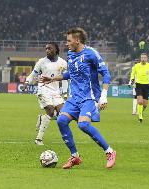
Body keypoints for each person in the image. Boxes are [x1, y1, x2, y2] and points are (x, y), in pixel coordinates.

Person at [41, 27, 116, 169]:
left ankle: (110, 152)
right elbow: (71, 73)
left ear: (77, 40)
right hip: (73, 97)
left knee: (83, 125)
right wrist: (52, 78)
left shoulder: (91, 54)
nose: (66, 43)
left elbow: (106, 74)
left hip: (89, 97)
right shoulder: (70, 54)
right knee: (61, 121)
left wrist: (104, 96)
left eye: (69, 41)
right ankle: (75, 156)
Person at [22, 42, 67, 145]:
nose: (47, 50)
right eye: (46, 49)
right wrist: (27, 82)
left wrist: (65, 94)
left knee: (62, 114)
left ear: (56, 50)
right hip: (43, 88)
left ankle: (43, 118)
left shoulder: (63, 63)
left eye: (50, 49)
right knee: (51, 112)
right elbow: (33, 74)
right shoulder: (42, 62)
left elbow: (64, 79)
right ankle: (39, 139)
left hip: (55, 91)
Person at [129, 53, 149, 123]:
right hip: (138, 85)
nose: (143, 59)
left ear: (147, 59)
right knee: (140, 101)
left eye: (144, 57)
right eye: (142, 57)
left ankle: (140, 111)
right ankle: (140, 118)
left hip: (146, 86)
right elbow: (132, 73)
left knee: (145, 104)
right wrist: (132, 79)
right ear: (140, 58)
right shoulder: (136, 66)